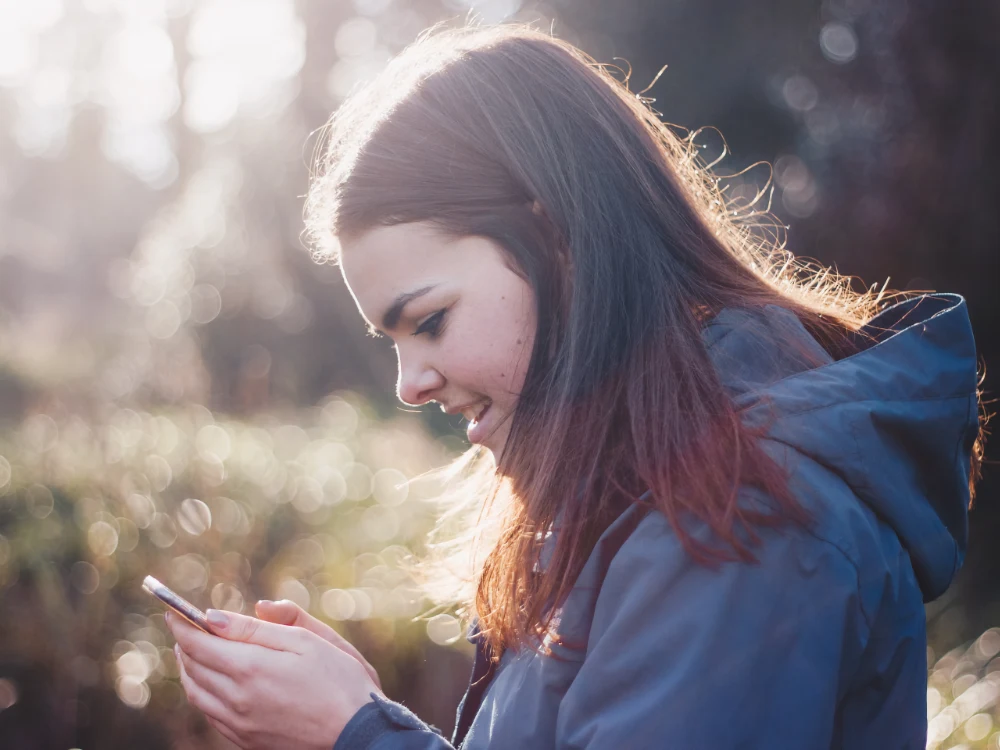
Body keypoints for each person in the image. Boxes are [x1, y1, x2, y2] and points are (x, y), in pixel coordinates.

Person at [165, 23, 985, 750]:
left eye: (431, 320)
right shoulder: (651, 492)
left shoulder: (742, 520)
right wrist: (357, 716)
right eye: (393, 340)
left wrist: (355, 734)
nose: (410, 384)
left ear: (555, 237)